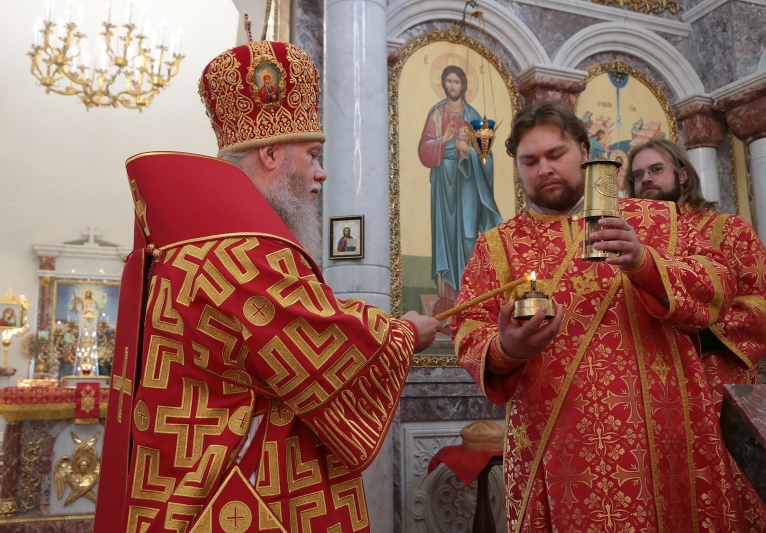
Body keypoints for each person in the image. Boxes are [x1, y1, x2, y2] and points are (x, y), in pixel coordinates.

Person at [94, 39, 441, 533]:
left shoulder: (185, 242)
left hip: (184, 477)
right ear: (273, 153)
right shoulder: (247, 251)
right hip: (242, 490)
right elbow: (321, 343)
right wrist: (405, 333)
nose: (322, 173)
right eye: (314, 154)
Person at [451, 101, 766, 531]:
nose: (543, 168)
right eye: (530, 160)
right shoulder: (496, 247)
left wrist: (645, 263)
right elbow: (468, 330)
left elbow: (718, 284)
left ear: (584, 151)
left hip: (665, 433)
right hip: (560, 444)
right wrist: (506, 348)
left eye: (555, 154)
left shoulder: (659, 219)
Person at [626, 138, 766, 414]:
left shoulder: (729, 229)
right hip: (648, 389)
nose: (646, 179)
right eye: (637, 175)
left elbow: (760, 305)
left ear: (683, 174)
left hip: (715, 380)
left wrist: (686, 336)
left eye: (656, 169)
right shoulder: (629, 241)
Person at [418, 65, 502, 301]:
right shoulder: (436, 113)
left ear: (463, 85)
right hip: (444, 186)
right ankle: (447, 298)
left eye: (457, 82)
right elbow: (424, 150)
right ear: (444, 84)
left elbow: (487, 156)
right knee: (445, 235)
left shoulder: (473, 116)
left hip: (468, 187)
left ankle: (468, 294)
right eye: (449, 81)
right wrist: (443, 141)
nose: (453, 86)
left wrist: (470, 151)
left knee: (467, 236)